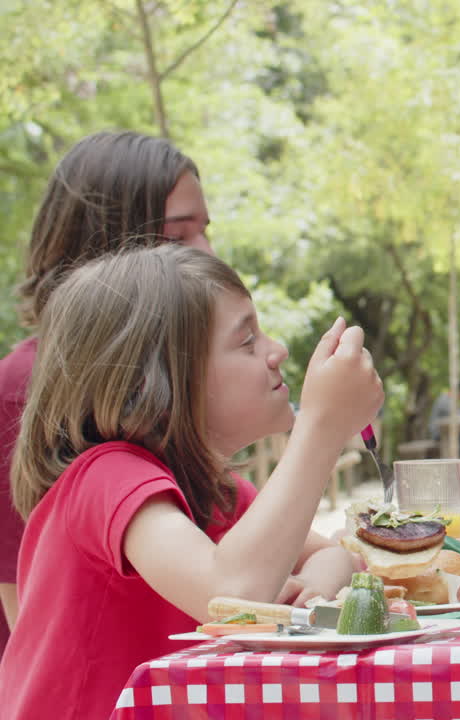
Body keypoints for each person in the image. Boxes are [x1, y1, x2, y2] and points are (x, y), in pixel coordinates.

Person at [0, 245, 383, 720]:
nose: (277, 351)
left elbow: (336, 556)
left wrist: (305, 589)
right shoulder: (105, 477)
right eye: (247, 341)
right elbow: (230, 594)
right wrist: (322, 428)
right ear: (157, 381)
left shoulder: (215, 493)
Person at [0, 130, 215, 659]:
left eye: (205, 232)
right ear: (109, 249)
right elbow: (24, 608)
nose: (207, 253)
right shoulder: (26, 391)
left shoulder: (155, 384)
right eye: (178, 237)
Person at [430, 380, 460, 456]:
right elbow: (458, 415)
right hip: (439, 433)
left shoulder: (452, 400)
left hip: (447, 431)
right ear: (459, 391)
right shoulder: (444, 400)